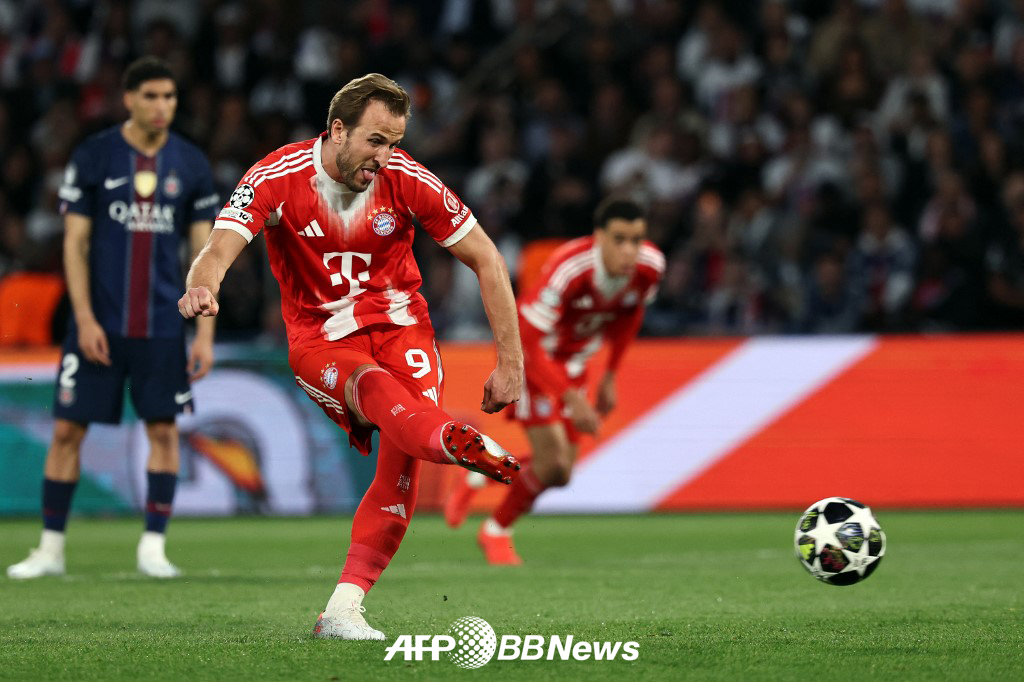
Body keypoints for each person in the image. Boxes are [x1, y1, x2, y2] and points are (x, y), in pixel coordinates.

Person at [178, 73, 523, 640]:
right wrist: (203, 285)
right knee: (375, 392)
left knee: (402, 466)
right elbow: (217, 248)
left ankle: (342, 609)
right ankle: (452, 440)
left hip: (401, 327)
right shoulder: (275, 177)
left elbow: (487, 258)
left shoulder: (408, 178)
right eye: (375, 141)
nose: (386, 156)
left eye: (394, 142)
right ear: (337, 130)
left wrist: (512, 363)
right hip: (320, 340)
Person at [7, 57, 219, 580]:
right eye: (150, 96)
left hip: (163, 326)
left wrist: (205, 332)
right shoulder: (95, 155)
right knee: (66, 433)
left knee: (164, 433)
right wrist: (82, 318)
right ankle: (50, 548)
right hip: (97, 325)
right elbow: (74, 245)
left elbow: (206, 250)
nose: (161, 106)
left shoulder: (190, 163)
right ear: (128, 99)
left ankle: (153, 547)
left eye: (169, 97)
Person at [444, 196, 665, 564]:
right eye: (620, 239)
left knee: (560, 473)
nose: (630, 251)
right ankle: (496, 530)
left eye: (637, 240)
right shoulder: (570, 269)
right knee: (554, 464)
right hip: (533, 359)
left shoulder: (649, 266)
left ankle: (480, 472)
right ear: (599, 238)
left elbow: (630, 313)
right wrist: (572, 398)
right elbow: (529, 342)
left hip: (574, 363)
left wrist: (610, 374)